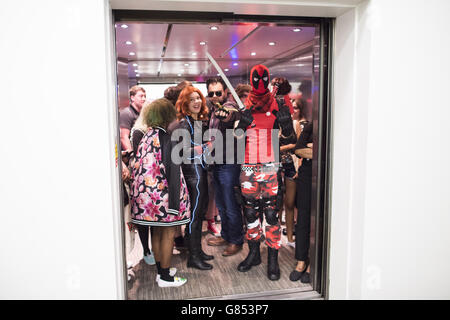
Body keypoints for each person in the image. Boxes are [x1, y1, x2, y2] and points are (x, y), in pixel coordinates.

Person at [234, 65, 295, 280]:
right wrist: (242, 122)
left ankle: (273, 260)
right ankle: (253, 255)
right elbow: (236, 140)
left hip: (270, 165)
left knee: (271, 214)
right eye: (256, 78)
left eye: (263, 77)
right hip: (248, 166)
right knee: (250, 213)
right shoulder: (245, 104)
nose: (260, 81)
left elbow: (290, 137)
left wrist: (284, 116)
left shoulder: (278, 102)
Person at [130, 98, 190, 288]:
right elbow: (172, 172)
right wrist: (174, 206)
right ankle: (165, 277)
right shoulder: (166, 138)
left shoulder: (147, 135)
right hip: (164, 198)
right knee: (168, 234)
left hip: (147, 200)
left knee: (156, 233)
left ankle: (161, 271)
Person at [173, 86, 214, 270]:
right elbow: (181, 152)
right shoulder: (184, 123)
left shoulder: (195, 121)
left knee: (199, 212)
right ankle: (194, 256)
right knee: (195, 215)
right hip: (193, 173)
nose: (197, 102)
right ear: (185, 103)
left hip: (199, 170)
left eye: (198, 98)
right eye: (192, 99)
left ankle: (196, 250)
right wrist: (204, 148)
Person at [206, 78, 245, 257]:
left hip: (230, 162)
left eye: (218, 93)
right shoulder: (213, 110)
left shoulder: (230, 106)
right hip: (216, 162)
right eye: (211, 93)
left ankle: (236, 240)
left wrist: (224, 113)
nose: (215, 96)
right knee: (221, 203)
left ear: (226, 92)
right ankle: (226, 235)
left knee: (230, 203)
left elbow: (230, 114)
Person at [271, 77, 297, 247]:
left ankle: (289, 237)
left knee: (289, 202)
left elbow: (295, 143)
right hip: (274, 163)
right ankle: (276, 237)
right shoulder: (270, 120)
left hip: (288, 163)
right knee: (275, 203)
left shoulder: (291, 120)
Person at [289, 120, 313, 283]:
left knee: (321, 221)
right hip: (307, 175)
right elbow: (298, 150)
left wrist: (312, 150)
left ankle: (314, 262)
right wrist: (320, 151)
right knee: (303, 219)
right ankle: (301, 261)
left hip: (328, 174)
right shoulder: (311, 126)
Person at [119, 86, 146, 152]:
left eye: (145, 96)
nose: (144, 99)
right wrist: (132, 156)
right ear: (132, 97)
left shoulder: (141, 113)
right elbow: (123, 137)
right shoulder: (126, 113)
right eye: (141, 96)